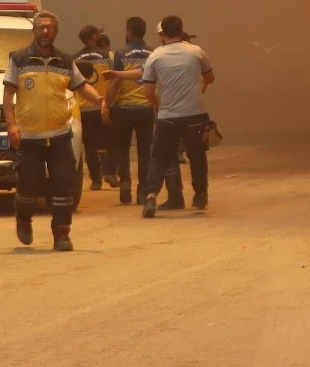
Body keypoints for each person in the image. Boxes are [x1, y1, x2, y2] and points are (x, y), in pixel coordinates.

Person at [5, 12, 104, 251]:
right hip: (29, 136)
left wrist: (100, 100)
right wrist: (11, 125)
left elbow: (82, 86)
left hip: (60, 134)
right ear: (34, 31)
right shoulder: (18, 59)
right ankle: (23, 218)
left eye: (49, 28)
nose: (45, 32)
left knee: (63, 184)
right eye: (40, 28)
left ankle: (62, 234)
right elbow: (8, 95)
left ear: (56, 31)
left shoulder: (65, 61)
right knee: (29, 183)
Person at [139, 15, 216, 219]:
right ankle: (199, 195)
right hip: (196, 116)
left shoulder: (155, 56)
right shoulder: (197, 51)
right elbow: (210, 78)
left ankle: (151, 195)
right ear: (182, 31)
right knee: (197, 155)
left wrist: (159, 106)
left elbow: (148, 91)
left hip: (167, 118)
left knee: (159, 157)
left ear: (162, 33)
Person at [107, 16, 160, 206]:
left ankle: (126, 183)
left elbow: (116, 80)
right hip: (146, 108)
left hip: (124, 108)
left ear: (129, 31)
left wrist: (107, 105)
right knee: (145, 151)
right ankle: (142, 191)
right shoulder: (154, 53)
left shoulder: (121, 52)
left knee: (123, 148)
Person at [73, 25, 114, 190]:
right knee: (110, 142)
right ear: (95, 36)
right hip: (103, 106)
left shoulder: (74, 58)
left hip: (83, 109)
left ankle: (96, 180)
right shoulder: (107, 55)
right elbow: (114, 77)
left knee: (89, 146)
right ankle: (110, 171)